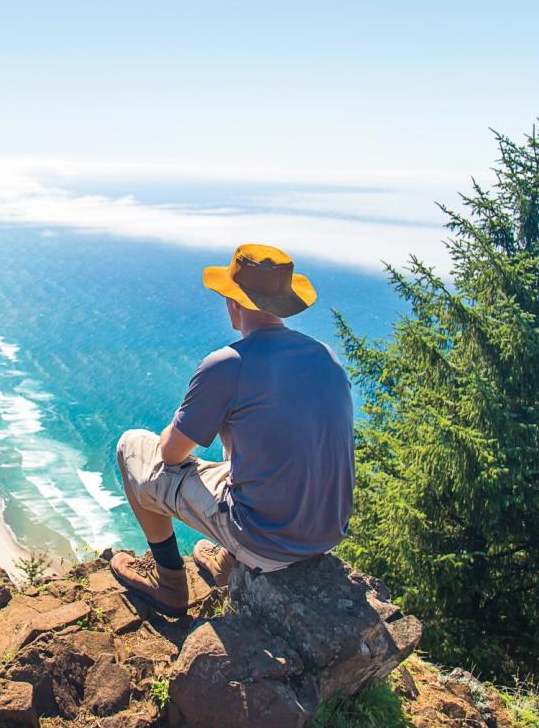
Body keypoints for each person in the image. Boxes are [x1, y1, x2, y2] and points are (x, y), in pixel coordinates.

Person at [110, 243, 355, 616]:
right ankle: (226, 563)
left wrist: (172, 432)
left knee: (132, 446)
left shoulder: (228, 364)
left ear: (233, 303)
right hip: (326, 532)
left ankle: (171, 583)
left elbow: (170, 455)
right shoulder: (326, 356)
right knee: (251, 433)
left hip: (266, 541)